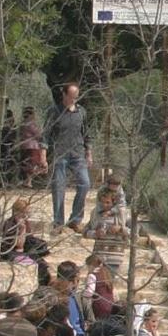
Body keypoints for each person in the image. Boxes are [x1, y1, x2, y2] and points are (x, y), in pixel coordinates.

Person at [47, 83, 92, 235]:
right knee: (59, 188)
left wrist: (89, 152)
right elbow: (46, 134)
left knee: (85, 184)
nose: (74, 99)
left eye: (76, 96)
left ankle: (75, 220)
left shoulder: (82, 112)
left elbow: (86, 134)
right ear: (64, 95)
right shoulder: (54, 112)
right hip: (60, 154)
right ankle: (58, 222)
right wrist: (42, 155)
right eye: (71, 96)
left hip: (78, 153)